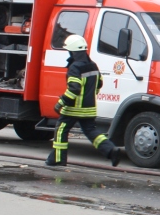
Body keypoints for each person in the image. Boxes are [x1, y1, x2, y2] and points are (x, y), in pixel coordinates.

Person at [46, 35, 121, 167]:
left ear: (72, 52)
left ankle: (58, 159)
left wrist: (61, 102)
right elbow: (100, 83)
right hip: (89, 108)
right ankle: (110, 150)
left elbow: (74, 89)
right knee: (91, 131)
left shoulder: (75, 67)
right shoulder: (92, 65)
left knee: (61, 129)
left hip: (74, 108)